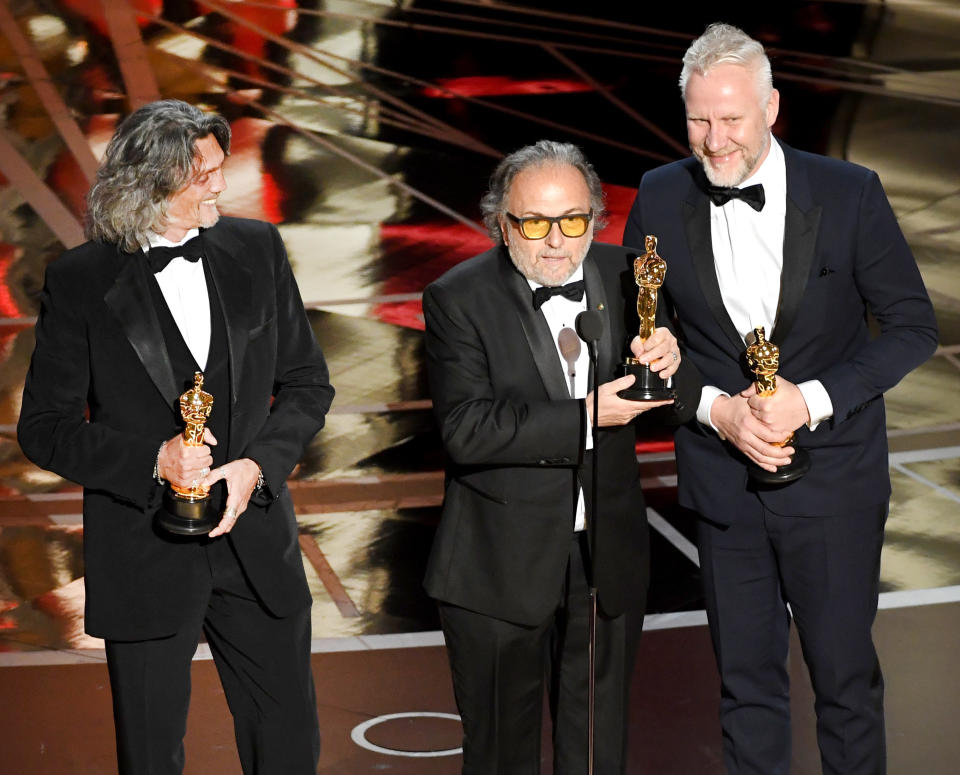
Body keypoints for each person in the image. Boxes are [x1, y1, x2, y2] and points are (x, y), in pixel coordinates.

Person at [624, 22, 938, 775]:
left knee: (844, 684)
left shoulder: (849, 191)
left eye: (731, 119)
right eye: (699, 120)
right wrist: (718, 411)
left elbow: (911, 327)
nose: (714, 139)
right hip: (724, 486)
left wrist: (814, 399)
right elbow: (650, 345)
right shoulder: (660, 195)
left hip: (833, 484)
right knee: (746, 687)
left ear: (772, 106)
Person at [18, 99, 334, 775]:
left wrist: (257, 466)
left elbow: (308, 384)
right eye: (204, 175)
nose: (222, 184)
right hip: (142, 553)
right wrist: (153, 460)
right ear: (152, 183)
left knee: (287, 747)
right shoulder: (80, 280)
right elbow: (44, 430)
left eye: (221, 167)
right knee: (153, 756)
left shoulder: (257, 248)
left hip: (257, 548)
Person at [423, 140, 697, 774]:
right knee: (500, 758)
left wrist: (675, 365)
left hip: (606, 565)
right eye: (535, 224)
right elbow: (466, 429)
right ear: (500, 221)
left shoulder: (635, 277)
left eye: (572, 221)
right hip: (497, 571)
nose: (555, 243)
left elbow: (680, 401)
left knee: (598, 754)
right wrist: (584, 417)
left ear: (595, 219)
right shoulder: (457, 297)